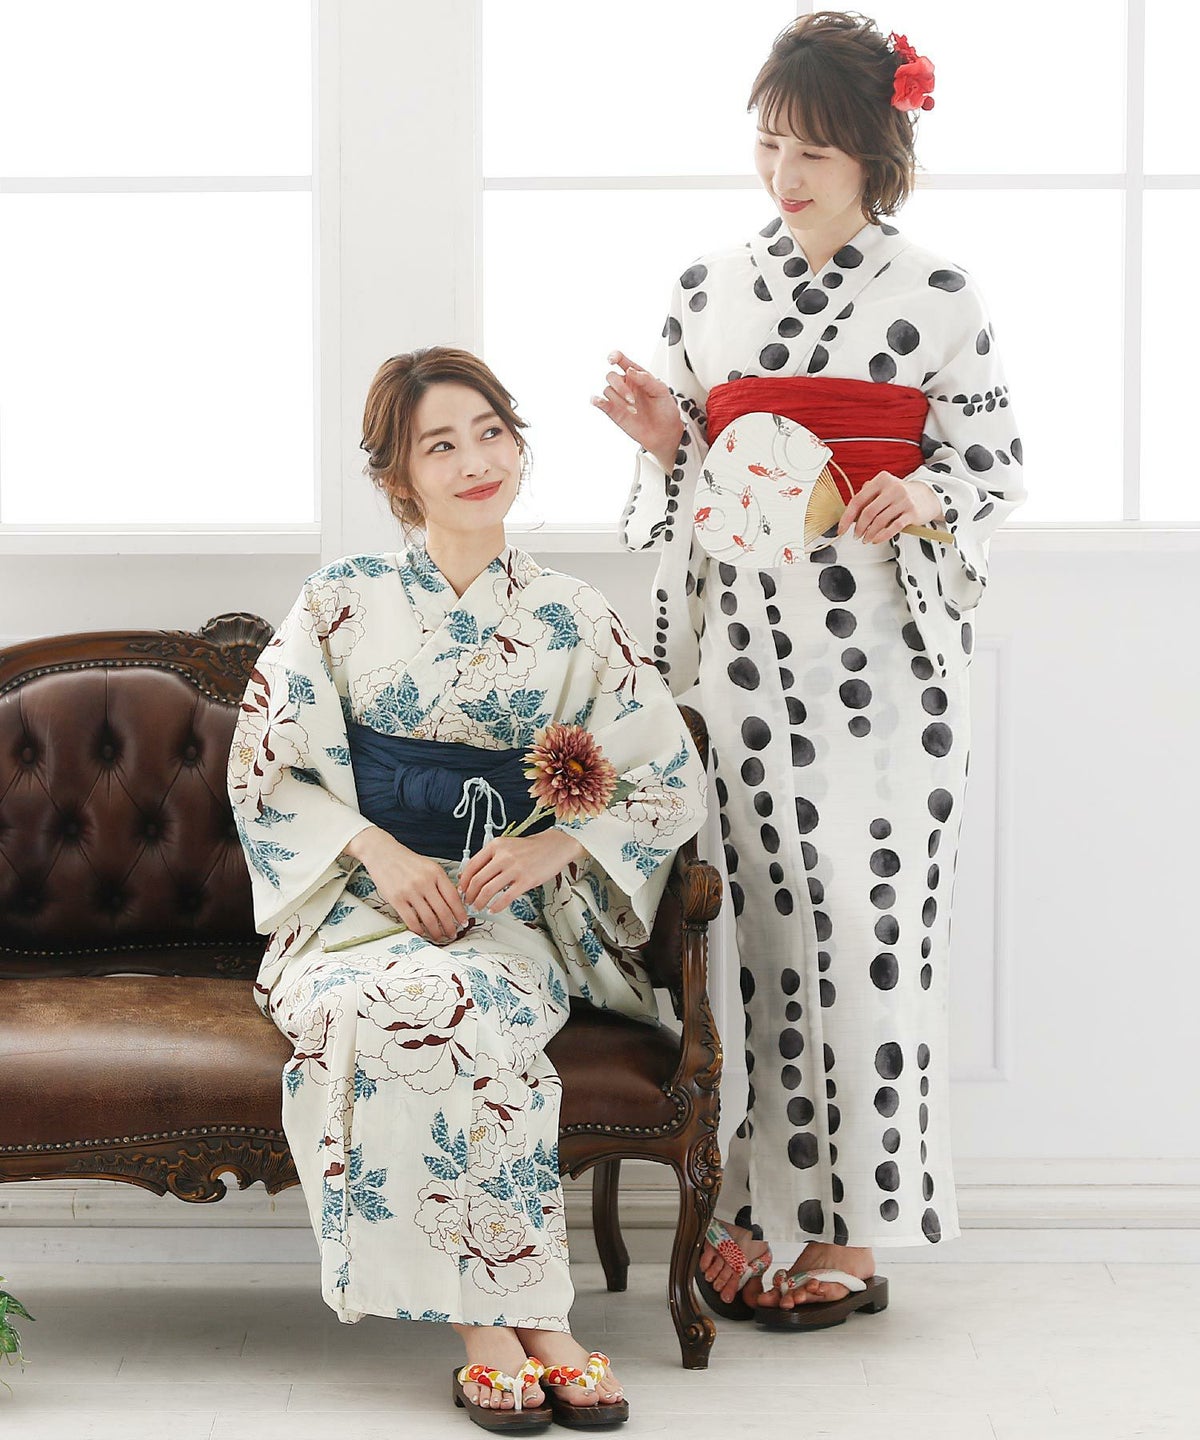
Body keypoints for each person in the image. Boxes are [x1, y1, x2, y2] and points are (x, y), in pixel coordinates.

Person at [594, 10, 1025, 1329]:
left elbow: (992, 466)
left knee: (867, 936)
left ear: (876, 155)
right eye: (769, 144)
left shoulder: (939, 295)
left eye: (814, 153)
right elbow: (698, 482)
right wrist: (667, 439)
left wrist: (925, 497)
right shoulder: (708, 287)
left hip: (886, 670)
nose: (784, 175)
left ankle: (848, 1238)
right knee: (748, 941)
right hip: (743, 663)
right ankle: (745, 1212)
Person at [227, 345, 707, 1426]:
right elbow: (266, 766)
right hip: (350, 920)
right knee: (394, 1003)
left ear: (519, 446)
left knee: (469, 1007)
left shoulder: (573, 615)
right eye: (440, 445)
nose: (476, 461)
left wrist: (556, 849)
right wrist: (377, 849)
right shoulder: (340, 604)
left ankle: (510, 1320)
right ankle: (515, 1325)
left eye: (492, 433)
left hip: (507, 920)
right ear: (398, 476)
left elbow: (667, 779)